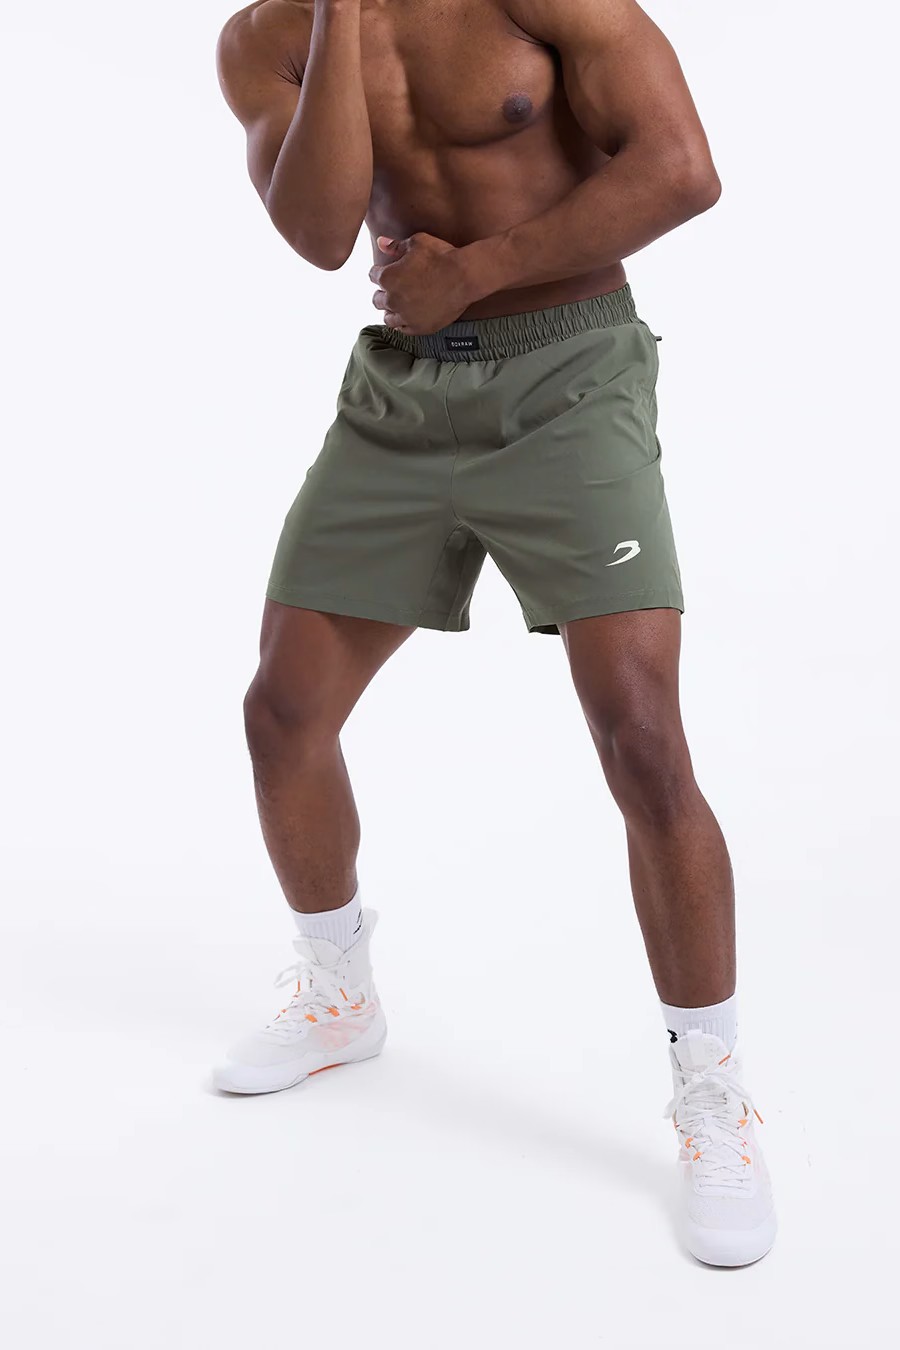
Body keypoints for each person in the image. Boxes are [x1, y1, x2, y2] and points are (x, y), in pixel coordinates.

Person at [212, 0, 776, 1267]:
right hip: (402, 395)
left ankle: (713, 1094)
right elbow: (318, 236)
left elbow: (684, 169)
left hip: (571, 374)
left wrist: (476, 270)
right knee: (282, 713)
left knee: (642, 741)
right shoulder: (266, 38)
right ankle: (339, 992)